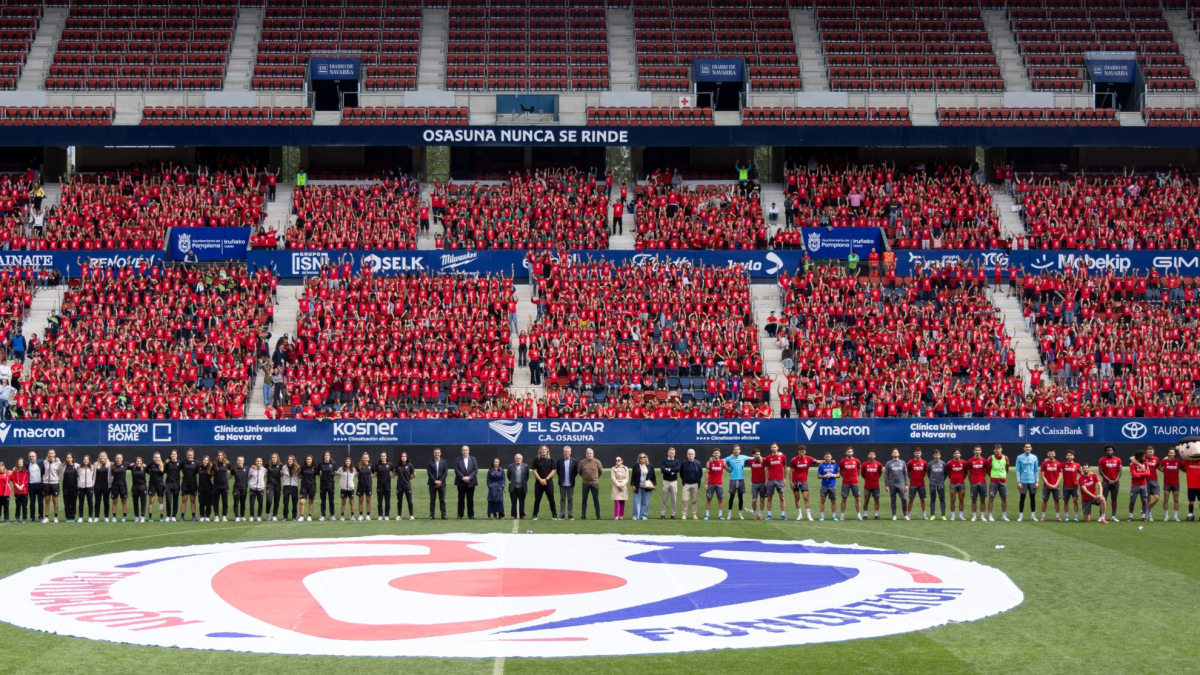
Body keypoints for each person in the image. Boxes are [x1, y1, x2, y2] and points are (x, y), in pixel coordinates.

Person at [531, 445, 557, 520]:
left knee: (551, 498)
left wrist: (546, 479)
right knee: (537, 499)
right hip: (539, 482)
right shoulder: (536, 460)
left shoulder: (551, 460)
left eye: (545, 449)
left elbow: (553, 471)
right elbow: (534, 471)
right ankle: (535, 515)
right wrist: (540, 480)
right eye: (542, 449)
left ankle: (554, 514)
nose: (543, 450)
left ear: (547, 451)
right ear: (540, 451)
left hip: (548, 482)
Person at [723, 445, 748, 520]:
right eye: (735, 449)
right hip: (733, 479)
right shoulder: (729, 458)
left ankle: (740, 514)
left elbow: (755, 457)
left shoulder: (743, 457)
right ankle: (729, 514)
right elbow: (720, 460)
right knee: (731, 497)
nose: (736, 450)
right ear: (733, 451)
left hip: (741, 479)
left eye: (737, 449)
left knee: (740, 497)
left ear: (740, 450)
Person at [1098, 445, 1123, 522]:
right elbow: (1100, 471)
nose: (1109, 451)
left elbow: (1120, 471)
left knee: (1114, 499)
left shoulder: (1118, 460)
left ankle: (1113, 516)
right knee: (1103, 499)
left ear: (1113, 451)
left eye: (1110, 450)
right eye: (1108, 450)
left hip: (1116, 482)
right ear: (1106, 452)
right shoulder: (1102, 460)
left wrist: (1115, 480)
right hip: (1105, 482)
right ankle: (1101, 516)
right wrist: (1108, 479)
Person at [985, 445, 1010, 522]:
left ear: (1001, 449)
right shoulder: (990, 458)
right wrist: (993, 476)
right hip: (994, 481)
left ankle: (1004, 516)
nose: (998, 450)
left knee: (1004, 498)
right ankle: (990, 516)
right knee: (991, 498)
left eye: (999, 449)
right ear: (994, 450)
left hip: (1003, 481)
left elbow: (1007, 469)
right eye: (996, 449)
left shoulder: (1005, 458)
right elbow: (988, 470)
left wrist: (1002, 476)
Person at [1015, 443, 1039, 522]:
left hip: (1032, 481)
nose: (1027, 448)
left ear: (1031, 448)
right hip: (1023, 480)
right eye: (1026, 447)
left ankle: (1033, 516)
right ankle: (1021, 516)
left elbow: (1036, 470)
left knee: (1032, 498)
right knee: (1022, 498)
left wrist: (1037, 481)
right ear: (1024, 448)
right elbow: (1017, 470)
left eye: (1029, 447)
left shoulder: (1034, 457)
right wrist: (1018, 481)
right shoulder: (1019, 457)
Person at [764, 443, 788, 520]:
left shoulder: (782, 457)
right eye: (772, 447)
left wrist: (784, 478)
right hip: (771, 480)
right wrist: (766, 479)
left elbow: (785, 468)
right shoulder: (768, 458)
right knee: (769, 498)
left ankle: (783, 515)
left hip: (780, 480)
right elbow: (767, 469)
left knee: (782, 498)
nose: (773, 448)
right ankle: (769, 515)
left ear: (777, 448)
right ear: (771, 448)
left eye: (775, 447)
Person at [629, 453, 656, 521]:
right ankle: (635, 516)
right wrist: (633, 485)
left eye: (644, 457)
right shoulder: (636, 466)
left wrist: (654, 484)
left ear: (646, 458)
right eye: (641, 457)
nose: (642, 458)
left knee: (646, 502)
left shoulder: (650, 466)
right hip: (638, 486)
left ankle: (644, 515)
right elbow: (633, 477)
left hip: (647, 487)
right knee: (636, 502)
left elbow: (653, 476)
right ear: (639, 458)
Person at [790, 445, 814, 521]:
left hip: (804, 481)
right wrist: (791, 482)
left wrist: (829, 461)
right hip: (795, 481)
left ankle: (809, 515)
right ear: (798, 452)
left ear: (805, 452)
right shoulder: (794, 460)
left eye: (803, 452)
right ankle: (799, 514)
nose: (802, 453)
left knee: (806, 497)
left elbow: (818, 461)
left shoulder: (809, 459)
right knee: (797, 497)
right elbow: (791, 471)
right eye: (800, 452)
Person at [884, 448, 909, 521]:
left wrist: (906, 484)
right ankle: (894, 515)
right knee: (893, 500)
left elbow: (905, 474)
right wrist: (886, 485)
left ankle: (905, 515)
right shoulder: (888, 463)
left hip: (900, 484)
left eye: (896, 452)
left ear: (898, 454)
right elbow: (886, 475)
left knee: (904, 499)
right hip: (892, 484)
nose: (895, 453)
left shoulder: (903, 463)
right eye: (893, 452)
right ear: (891, 454)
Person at [838, 447, 861, 521]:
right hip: (846, 482)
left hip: (855, 482)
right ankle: (842, 515)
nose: (849, 453)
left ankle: (858, 515)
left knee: (857, 498)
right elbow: (841, 471)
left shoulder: (857, 461)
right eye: (848, 452)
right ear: (846, 453)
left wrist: (855, 477)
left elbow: (859, 471)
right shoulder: (842, 461)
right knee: (844, 498)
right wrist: (845, 477)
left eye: (850, 452)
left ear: (853, 452)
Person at [579, 448, 603, 520]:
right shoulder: (582, 462)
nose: (589, 455)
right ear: (586, 454)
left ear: (593, 454)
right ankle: (583, 515)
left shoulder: (597, 462)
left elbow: (600, 471)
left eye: (590, 453)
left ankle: (598, 516)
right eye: (588, 453)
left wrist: (595, 477)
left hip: (594, 483)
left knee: (596, 499)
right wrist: (585, 477)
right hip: (585, 483)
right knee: (584, 500)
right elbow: (580, 471)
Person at [556, 446, 579, 520]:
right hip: (562, 483)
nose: (566, 453)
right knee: (562, 499)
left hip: (570, 483)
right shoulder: (559, 461)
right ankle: (562, 514)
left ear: (570, 452)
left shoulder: (574, 461)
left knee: (570, 499)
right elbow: (558, 471)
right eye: (565, 451)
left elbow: (575, 472)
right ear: (563, 452)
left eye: (568, 451)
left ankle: (570, 514)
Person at [455, 445, 478, 520]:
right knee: (461, 499)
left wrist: (469, 477)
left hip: (471, 482)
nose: (465, 451)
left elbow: (475, 469)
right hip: (460, 482)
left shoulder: (473, 459)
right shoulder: (458, 459)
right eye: (463, 450)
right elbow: (456, 469)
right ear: (462, 451)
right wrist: (463, 478)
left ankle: (471, 515)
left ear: (469, 451)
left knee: (470, 499)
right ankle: (460, 515)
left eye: (466, 450)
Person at [1128, 451, 1152, 522]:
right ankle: (1130, 516)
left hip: (1144, 485)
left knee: (1144, 501)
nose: (1144, 458)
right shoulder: (1132, 464)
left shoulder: (1146, 464)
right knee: (1132, 501)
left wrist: (1139, 473)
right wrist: (1142, 473)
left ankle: (1144, 516)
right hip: (1135, 485)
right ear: (1139, 457)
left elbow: (1148, 473)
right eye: (1143, 456)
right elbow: (1134, 475)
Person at [1039, 450, 1063, 522]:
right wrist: (1048, 483)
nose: (1051, 455)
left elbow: (1060, 475)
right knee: (1045, 500)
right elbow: (1042, 475)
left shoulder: (1058, 464)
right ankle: (1043, 516)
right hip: (1046, 486)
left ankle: (1057, 516)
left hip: (1056, 486)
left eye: (1052, 453)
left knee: (1056, 500)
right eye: (1050, 453)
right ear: (1047, 454)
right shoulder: (1044, 463)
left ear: (1055, 454)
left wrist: (1056, 484)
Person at [1159, 448, 1182, 522]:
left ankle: (1175, 516)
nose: (1172, 454)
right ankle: (1166, 516)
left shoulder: (1178, 461)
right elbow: (1158, 466)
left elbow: (1183, 468)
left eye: (1173, 453)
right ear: (1168, 453)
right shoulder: (1164, 461)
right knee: (1166, 499)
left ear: (1175, 454)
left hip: (1176, 483)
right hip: (1167, 483)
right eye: (1170, 453)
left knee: (1176, 499)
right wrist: (1163, 470)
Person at [967, 445, 989, 521]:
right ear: (973, 451)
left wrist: (982, 477)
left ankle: (982, 516)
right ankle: (974, 516)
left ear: (981, 451)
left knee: (983, 499)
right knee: (974, 500)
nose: (977, 452)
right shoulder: (970, 461)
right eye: (976, 450)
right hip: (974, 483)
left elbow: (986, 471)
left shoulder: (984, 460)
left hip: (982, 482)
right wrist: (971, 481)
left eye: (978, 450)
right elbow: (969, 473)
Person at [905, 448, 928, 520]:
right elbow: (907, 472)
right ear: (914, 453)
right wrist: (911, 479)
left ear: (921, 453)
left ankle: (924, 515)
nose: (917, 454)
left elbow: (925, 473)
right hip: (913, 484)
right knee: (911, 499)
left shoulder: (924, 463)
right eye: (916, 453)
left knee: (922, 499)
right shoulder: (910, 462)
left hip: (921, 484)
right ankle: (908, 515)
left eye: (919, 453)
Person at [679, 448, 702, 520]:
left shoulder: (698, 463)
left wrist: (697, 482)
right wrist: (684, 480)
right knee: (684, 500)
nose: (690, 455)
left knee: (694, 500)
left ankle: (694, 514)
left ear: (694, 455)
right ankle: (684, 514)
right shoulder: (683, 463)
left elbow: (700, 473)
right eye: (689, 454)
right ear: (687, 455)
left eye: (692, 454)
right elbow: (681, 473)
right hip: (686, 484)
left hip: (695, 484)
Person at [816, 452, 840, 521]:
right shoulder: (821, 466)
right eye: (826, 457)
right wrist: (824, 476)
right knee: (822, 500)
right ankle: (822, 516)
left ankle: (834, 516)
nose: (827, 458)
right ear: (824, 457)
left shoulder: (834, 465)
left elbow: (838, 475)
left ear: (831, 457)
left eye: (828, 457)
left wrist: (832, 475)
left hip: (832, 485)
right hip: (824, 485)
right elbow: (818, 476)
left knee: (833, 501)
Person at [861, 450, 883, 520]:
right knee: (866, 500)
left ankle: (876, 515)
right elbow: (862, 474)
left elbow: (880, 473)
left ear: (875, 456)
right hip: (867, 486)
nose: (871, 456)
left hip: (876, 486)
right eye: (870, 454)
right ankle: (865, 515)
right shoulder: (864, 464)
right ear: (868, 455)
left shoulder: (878, 464)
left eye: (873, 454)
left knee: (876, 500)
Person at [704, 448, 725, 520]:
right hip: (711, 484)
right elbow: (707, 473)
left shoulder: (723, 462)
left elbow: (729, 470)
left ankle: (720, 515)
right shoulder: (709, 462)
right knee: (708, 499)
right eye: (715, 453)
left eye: (717, 453)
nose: (716, 454)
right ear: (713, 454)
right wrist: (706, 484)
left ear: (720, 454)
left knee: (720, 499)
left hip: (719, 484)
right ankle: (707, 515)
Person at [42, 449, 62, 523]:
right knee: (47, 501)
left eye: (52, 453)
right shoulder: (44, 462)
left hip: (55, 483)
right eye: (49, 453)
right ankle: (46, 517)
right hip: (46, 483)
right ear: (47, 454)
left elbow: (61, 471)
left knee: (55, 500)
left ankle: (56, 517)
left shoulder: (58, 462)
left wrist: (59, 461)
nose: (51, 455)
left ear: (55, 454)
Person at [659, 447, 680, 519]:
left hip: (674, 482)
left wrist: (668, 469)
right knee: (664, 498)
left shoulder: (676, 461)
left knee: (674, 499)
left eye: (673, 453)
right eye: (670, 453)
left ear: (675, 454)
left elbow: (678, 469)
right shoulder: (664, 461)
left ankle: (673, 514)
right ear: (668, 453)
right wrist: (672, 471)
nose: (671, 454)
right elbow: (662, 470)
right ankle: (662, 514)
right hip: (666, 481)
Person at [946, 449, 967, 520]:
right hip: (953, 484)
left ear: (960, 454)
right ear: (953, 455)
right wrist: (952, 478)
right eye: (955, 453)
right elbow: (948, 472)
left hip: (961, 484)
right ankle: (953, 516)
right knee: (952, 499)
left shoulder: (964, 463)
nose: (957, 454)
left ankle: (961, 516)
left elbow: (965, 473)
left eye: (958, 453)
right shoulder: (949, 463)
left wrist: (961, 478)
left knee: (961, 499)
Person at [507, 454, 529, 520]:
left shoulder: (526, 466)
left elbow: (527, 477)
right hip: (513, 487)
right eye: (517, 458)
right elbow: (509, 476)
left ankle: (522, 515)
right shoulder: (510, 466)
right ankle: (513, 515)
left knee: (522, 502)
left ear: (522, 459)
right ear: (515, 459)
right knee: (513, 502)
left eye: (519, 458)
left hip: (522, 487)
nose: (518, 459)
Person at [427, 448, 447, 520]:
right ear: (433, 453)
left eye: (438, 453)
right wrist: (435, 481)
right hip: (432, 484)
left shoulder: (444, 462)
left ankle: (443, 515)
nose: (437, 454)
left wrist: (440, 481)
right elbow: (429, 473)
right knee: (432, 500)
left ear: (440, 453)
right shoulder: (430, 462)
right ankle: (432, 515)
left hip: (442, 484)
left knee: (442, 500)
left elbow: (445, 473)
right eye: (435, 453)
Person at [1062, 451, 1082, 522]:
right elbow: (1056, 464)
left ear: (1073, 456)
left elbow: (1082, 474)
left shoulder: (1077, 465)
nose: (1069, 456)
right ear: (1066, 456)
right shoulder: (1063, 464)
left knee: (1075, 501)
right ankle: (1066, 516)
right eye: (1068, 455)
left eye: (1071, 455)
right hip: (1066, 486)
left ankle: (1076, 516)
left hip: (1075, 486)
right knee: (1066, 501)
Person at [927, 449, 947, 521]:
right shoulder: (930, 464)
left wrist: (942, 480)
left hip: (941, 484)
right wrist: (932, 480)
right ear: (933, 455)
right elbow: (928, 473)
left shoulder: (943, 464)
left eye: (938, 454)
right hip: (933, 484)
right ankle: (932, 515)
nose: (936, 456)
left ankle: (943, 515)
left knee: (942, 500)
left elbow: (945, 474)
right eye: (935, 454)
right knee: (933, 500)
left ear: (940, 455)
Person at [374, 452, 395, 520]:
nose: (383, 457)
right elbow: (375, 474)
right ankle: (380, 515)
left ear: (386, 457)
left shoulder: (390, 464)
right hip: (379, 485)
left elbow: (394, 473)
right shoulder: (377, 465)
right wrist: (368, 476)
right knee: (380, 501)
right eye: (382, 456)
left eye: (384, 456)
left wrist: (389, 477)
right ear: (380, 457)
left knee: (387, 501)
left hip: (387, 485)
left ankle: (386, 515)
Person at [396, 452, 416, 520]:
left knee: (409, 501)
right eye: (402, 456)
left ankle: (411, 515)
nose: (403, 457)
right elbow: (394, 474)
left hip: (407, 485)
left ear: (407, 457)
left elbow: (414, 475)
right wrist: (387, 477)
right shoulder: (398, 466)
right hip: (399, 486)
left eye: (405, 456)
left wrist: (408, 479)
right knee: (399, 501)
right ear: (400, 458)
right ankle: (399, 515)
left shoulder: (410, 465)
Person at [747, 449, 766, 519]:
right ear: (753, 455)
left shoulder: (764, 460)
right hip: (754, 483)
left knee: (762, 499)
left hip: (763, 482)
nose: (758, 455)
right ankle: (755, 514)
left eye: (759, 454)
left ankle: (760, 514)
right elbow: (743, 459)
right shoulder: (751, 461)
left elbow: (771, 458)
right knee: (754, 500)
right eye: (756, 454)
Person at [211, 452, 231, 522]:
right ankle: (216, 516)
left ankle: (224, 516)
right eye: (218, 455)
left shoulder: (227, 463)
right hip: (216, 485)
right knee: (216, 501)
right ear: (217, 456)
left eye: (221, 455)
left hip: (224, 485)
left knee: (225, 501)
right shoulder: (214, 464)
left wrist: (228, 477)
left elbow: (233, 471)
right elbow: (212, 473)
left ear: (223, 456)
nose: (220, 457)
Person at [318, 452, 338, 521]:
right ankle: (323, 515)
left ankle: (332, 515)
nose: (326, 456)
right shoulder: (321, 464)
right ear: (324, 456)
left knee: (331, 500)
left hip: (331, 484)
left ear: (330, 456)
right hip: (323, 484)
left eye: (328, 455)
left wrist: (333, 474)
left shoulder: (333, 464)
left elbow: (337, 471)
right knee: (323, 500)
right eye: (325, 455)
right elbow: (317, 472)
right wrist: (321, 475)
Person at [181, 449, 199, 522]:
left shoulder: (197, 463)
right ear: (187, 455)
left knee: (193, 500)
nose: (190, 456)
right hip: (185, 483)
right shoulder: (183, 462)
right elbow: (182, 470)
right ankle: (182, 516)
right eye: (189, 455)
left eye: (191, 455)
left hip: (193, 483)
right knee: (184, 500)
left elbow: (199, 471)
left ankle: (193, 516)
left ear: (193, 455)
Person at [110, 453, 129, 522]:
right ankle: (114, 517)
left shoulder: (126, 465)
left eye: (120, 458)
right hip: (115, 486)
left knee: (123, 501)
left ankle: (124, 517)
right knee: (114, 502)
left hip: (123, 486)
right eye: (117, 458)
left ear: (122, 458)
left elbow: (134, 465)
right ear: (115, 459)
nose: (119, 459)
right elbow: (111, 474)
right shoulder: (112, 466)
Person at [354, 453, 374, 520]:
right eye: (364, 458)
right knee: (360, 501)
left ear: (368, 458)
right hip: (360, 485)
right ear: (362, 458)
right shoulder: (359, 465)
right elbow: (356, 473)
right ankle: (361, 515)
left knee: (368, 500)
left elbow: (374, 473)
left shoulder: (371, 466)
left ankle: (368, 515)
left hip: (368, 485)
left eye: (366, 458)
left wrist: (370, 477)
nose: (365, 459)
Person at [76, 455, 95, 523]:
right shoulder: (79, 468)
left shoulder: (92, 467)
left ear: (89, 460)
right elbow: (76, 476)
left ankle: (90, 517)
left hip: (89, 487)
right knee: (81, 503)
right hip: (81, 487)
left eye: (87, 459)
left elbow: (95, 476)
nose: (86, 461)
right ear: (82, 460)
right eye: (84, 459)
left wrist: (92, 483)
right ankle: (81, 517)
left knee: (90, 502)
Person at [164, 450, 181, 522]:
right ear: (170, 455)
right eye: (172, 454)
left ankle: (174, 515)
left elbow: (185, 470)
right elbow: (163, 470)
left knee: (175, 500)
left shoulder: (180, 463)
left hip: (176, 483)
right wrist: (165, 463)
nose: (173, 455)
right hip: (168, 483)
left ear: (177, 455)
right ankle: (168, 515)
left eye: (175, 454)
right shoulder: (168, 463)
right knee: (168, 500)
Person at [281, 456, 300, 522]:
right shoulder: (284, 467)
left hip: (294, 486)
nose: (290, 460)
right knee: (285, 502)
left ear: (294, 460)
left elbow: (300, 475)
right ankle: (285, 516)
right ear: (287, 460)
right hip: (286, 485)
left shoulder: (297, 467)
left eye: (291, 459)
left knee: (294, 502)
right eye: (289, 459)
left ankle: (294, 516)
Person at [299, 455, 317, 521]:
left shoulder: (315, 468)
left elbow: (319, 474)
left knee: (311, 501)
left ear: (312, 460)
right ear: (305, 460)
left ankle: (309, 516)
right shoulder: (303, 468)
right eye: (307, 459)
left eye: (310, 459)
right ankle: (301, 516)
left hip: (312, 486)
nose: (309, 460)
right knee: (301, 501)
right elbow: (300, 476)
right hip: (304, 486)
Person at [61, 453, 78, 523]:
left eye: (70, 457)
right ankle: (68, 517)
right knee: (67, 503)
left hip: (74, 487)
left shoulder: (76, 466)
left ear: (72, 458)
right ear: (66, 459)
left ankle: (72, 516)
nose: (69, 459)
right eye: (67, 458)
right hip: (65, 487)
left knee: (73, 503)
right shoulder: (63, 466)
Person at [266, 453, 283, 521]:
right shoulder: (268, 465)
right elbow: (262, 470)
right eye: (273, 457)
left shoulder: (280, 465)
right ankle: (267, 513)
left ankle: (274, 515)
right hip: (270, 485)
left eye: (275, 457)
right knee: (269, 501)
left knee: (276, 501)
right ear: (271, 458)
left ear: (277, 458)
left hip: (277, 485)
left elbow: (285, 471)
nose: (274, 458)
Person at [611, 456, 629, 521]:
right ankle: (616, 516)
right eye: (616, 460)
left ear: (622, 461)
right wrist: (618, 485)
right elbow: (613, 478)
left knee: (622, 501)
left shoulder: (625, 468)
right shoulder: (613, 468)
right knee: (616, 501)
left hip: (623, 485)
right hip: (616, 486)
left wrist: (622, 484)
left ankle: (621, 515)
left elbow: (627, 478)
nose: (617, 461)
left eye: (619, 460)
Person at [93, 453, 110, 522]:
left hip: (106, 485)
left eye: (103, 456)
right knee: (97, 502)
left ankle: (106, 517)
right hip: (97, 485)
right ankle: (97, 516)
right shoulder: (95, 464)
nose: (102, 457)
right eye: (101, 456)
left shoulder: (109, 464)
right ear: (99, 457)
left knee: (106, 502)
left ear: (106, 457)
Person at [130, 457, 148, 523]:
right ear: (135, 462)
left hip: (142, 487)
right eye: (137, 461)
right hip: (135, 487)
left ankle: (143, 516)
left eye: (140, 461)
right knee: (135, 502)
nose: (139, 462)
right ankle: (137, 516)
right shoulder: (132, 468)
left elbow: (152, 472)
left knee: (143, 502)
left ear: (142, 462)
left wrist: (146, 466)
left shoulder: (145, 468)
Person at [26, 451, 42, 522]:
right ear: (28, 457)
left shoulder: (41, 463)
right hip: (31, 486)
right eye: (30, 456)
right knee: (32, 503)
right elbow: (19, 466)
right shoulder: (26, 465)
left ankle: (41, 517)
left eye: (33, 456)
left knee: (40, 502)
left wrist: (57, 459)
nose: (31, 457)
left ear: (36, 457)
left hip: (40, 485)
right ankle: (32, 517)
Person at [231, 456, 249, 522]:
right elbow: (229, 476)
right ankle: (236, 516)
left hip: (244, 488)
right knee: (236, 503)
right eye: (239, 460)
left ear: (243, 461)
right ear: (237, 461)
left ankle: (242, 516)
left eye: (241, 460)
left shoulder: (247, 469)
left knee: (243, 503)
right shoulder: (234, 469)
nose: (240, 461)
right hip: (236, 488)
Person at [248, 457, 266, 522]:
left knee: (260, 503)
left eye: (260, 461)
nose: (259, 462)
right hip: (252, 488)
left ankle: (259, 516)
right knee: (252, 503)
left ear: (262, 462)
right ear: (255, 462)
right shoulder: (252, 469)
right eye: (257, 461)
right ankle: (251, 516)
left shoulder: (264, 470)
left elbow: (267, 476)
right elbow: (248, 477)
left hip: (260, 488)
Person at [197, 456, 214, 522]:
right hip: (201, 487)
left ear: (209, 461)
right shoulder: (199, 467)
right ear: (202, 460)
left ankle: (207, 516)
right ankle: (202, 516)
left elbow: (215, 472)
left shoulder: (210, 468)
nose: (205, 461)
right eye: (204, 460)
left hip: (209, 487)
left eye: (207, 460)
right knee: (201, 503)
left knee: (208, 503)